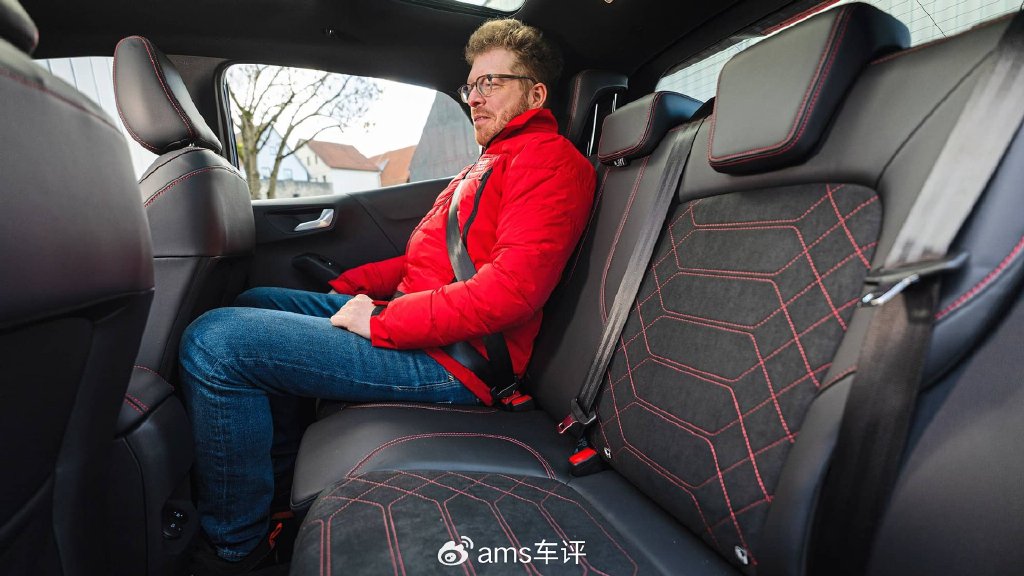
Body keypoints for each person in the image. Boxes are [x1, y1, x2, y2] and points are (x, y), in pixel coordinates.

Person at [180, 18, 596, 574]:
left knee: (216, 343)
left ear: (536, 94)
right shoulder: (487, 163)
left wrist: (380, 322)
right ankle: (275, 494)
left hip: (457, 360)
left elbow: (511, 291)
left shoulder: (548, 160)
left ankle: (237, 549)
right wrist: (343, 292)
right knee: (257, 302)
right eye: (470, 85)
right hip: (421, 326)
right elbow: (419, 261)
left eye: (491, 83)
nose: (474, 97)